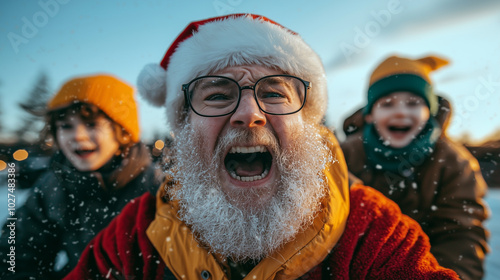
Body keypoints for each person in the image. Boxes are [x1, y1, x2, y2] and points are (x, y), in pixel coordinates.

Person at [64, 14, 459, 279]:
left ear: (305, 121)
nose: (249, 114)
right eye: (217, 96)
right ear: (184, 127)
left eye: (273, 93)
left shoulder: (371, 231)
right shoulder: (136, 233)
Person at [340, 55, 489, 280]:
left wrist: (445, 274)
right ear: (370, 114)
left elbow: (460, 233)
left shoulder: (454, 162)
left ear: (430, 110)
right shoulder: (344, 155)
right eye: (387, 104)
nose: (400, 112)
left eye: (413, 103)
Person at [0, 74, 159, 279]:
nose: (77, 135)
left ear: (122, 132)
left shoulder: (155, 190)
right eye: (66, 126)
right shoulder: (53, 186)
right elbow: (16, 253)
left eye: (91, 124)